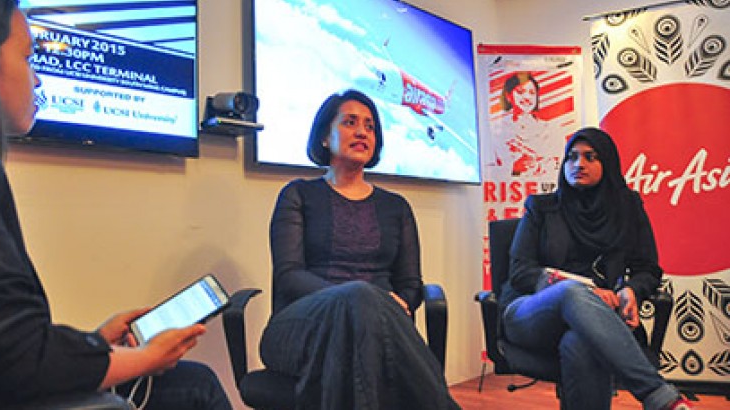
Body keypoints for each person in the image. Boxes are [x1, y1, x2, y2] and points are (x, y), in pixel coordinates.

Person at [0, 1, 230, 409]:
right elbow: (16, 355)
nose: (38, 79)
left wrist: (95, 342)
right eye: (27, 58)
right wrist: (145, 356)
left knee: (192, 381)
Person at [260, 89, 460, 409]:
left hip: (377, 328)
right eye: (350, 122)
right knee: (360, 299)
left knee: (364, 320)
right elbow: (289, 277)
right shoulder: (298, 195)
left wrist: (387, 303)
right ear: (325, 137)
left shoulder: (396, 207)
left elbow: (410, 286)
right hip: (302, 327)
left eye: (369, 127)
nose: (362, 132)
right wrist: (352, 297)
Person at [498, 127, 692, 410]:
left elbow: (648, 268)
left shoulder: (627, 209)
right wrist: (587, 291)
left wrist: (631, 290)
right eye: (572, 158)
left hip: (592, 321)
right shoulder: (541, 207)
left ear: (609, 163)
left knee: (581, 343)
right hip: (530, 312)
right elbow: (520, 271)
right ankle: (660, 397)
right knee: (571, 292)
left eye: (590, 157)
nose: (579, 165)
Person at [492, 71, 560, 177]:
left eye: (532, 93)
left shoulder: (552, 130)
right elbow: (488, 171)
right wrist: (514, 167)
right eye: (520, 92)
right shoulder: (496, 131)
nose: (527, 97)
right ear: (508, 96)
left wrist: (538, 166)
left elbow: (559, 168)